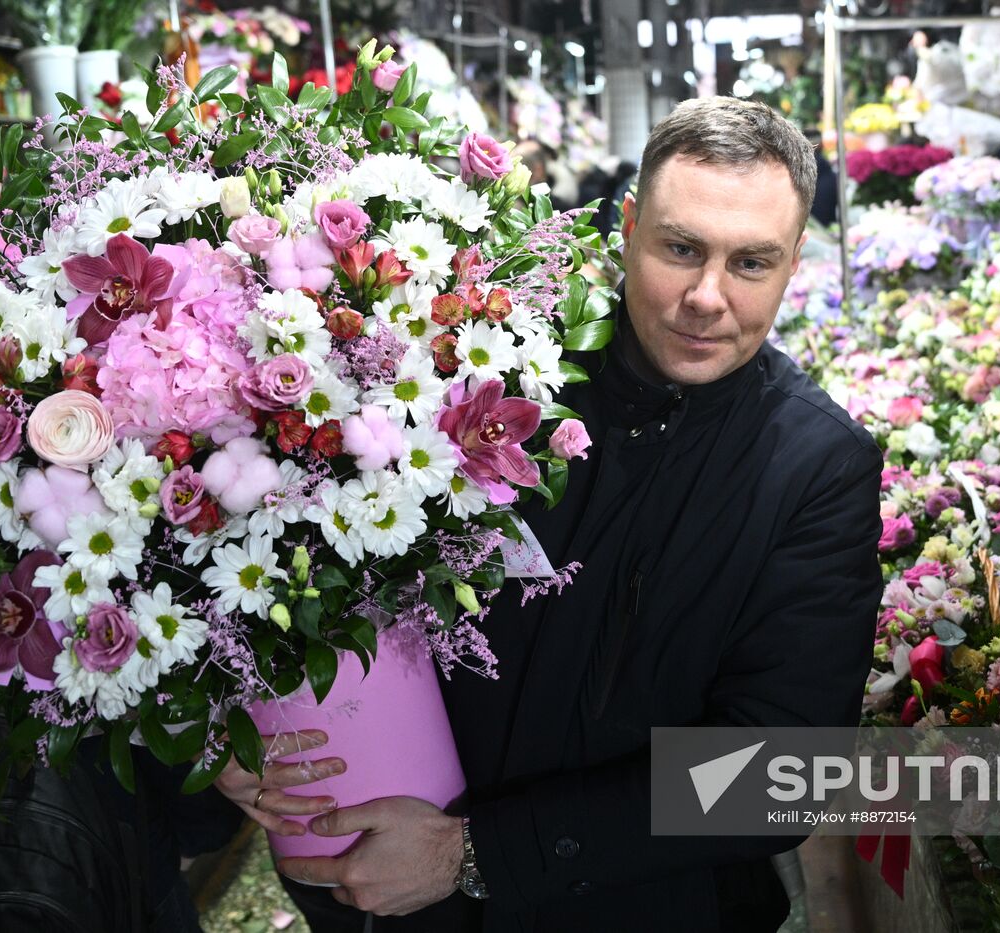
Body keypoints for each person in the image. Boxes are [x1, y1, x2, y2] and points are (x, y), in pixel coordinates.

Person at [216, 96, 883, 932]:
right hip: (390, 899)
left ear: (794, 263)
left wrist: (479, 852)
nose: (708, 296)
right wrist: (242, 734)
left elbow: (780, 769)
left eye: (752, 263)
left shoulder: (817, 465)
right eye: (680, 249)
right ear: (630, 225)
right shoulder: (496, 369)